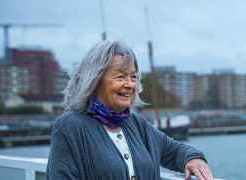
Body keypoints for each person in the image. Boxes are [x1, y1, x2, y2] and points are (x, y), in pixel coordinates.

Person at [46, 41, 214, 180]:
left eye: (133, 77)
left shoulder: (135, 122)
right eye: (120, 77)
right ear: (95, 81)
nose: (130, 84)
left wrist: (193, 158)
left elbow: (174, 151)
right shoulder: (70, 125)